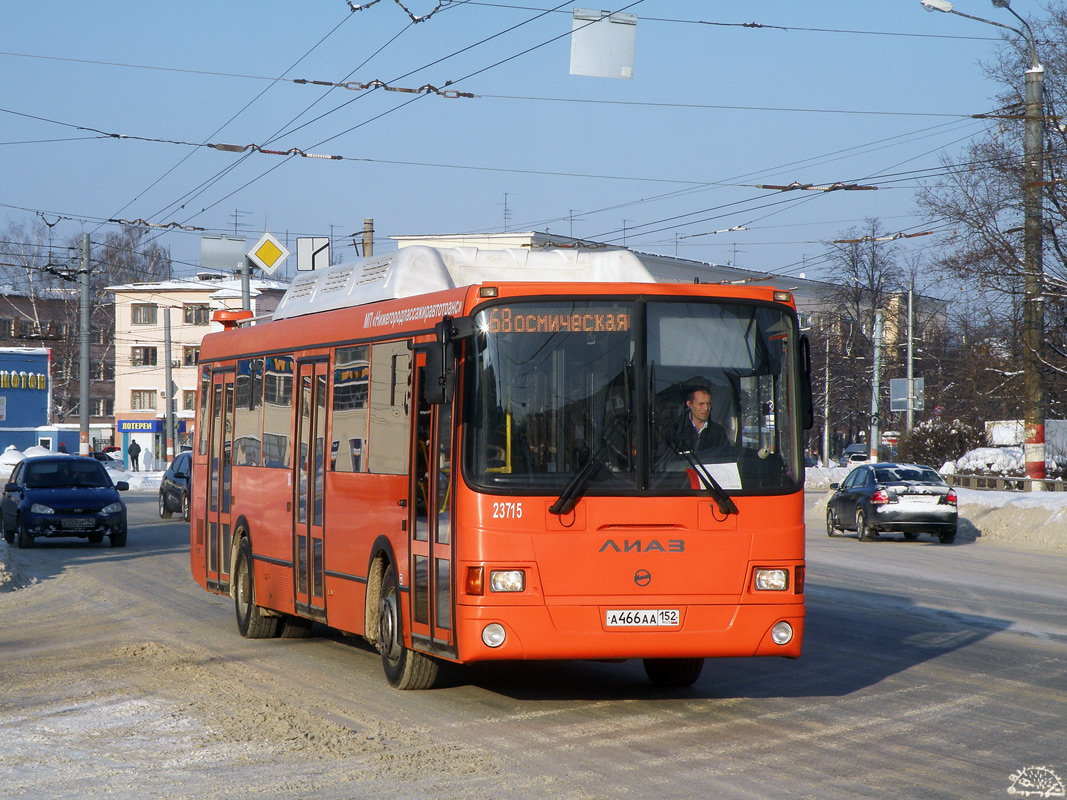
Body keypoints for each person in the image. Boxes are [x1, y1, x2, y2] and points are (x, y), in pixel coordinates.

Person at [679, 386, 727, 454]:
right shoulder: (676, 429)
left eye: (708, 404)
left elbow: (724, 457)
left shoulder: (718, 432)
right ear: (689, 404)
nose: (706, 408)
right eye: (701, 404)